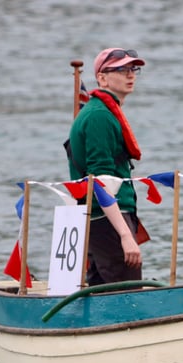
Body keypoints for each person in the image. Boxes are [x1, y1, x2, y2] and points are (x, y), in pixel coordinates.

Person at [68, 47, 146, 285]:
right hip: (106, 217)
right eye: (121, 70)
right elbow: (100, 180)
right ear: (101, 77)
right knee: (126, 293)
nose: (130, 75)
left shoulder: (104, 111)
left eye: (133, 69)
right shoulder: (99, 116)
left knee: (101, 290)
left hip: (102, 216)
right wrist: (124, 234)